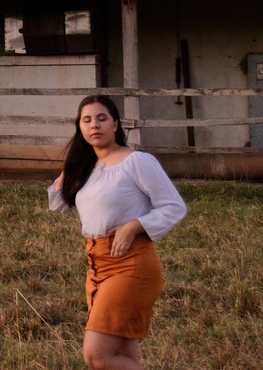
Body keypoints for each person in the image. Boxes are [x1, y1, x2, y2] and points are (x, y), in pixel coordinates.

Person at [49, 95, 186, 370]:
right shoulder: (88, 167)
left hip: (131, 262)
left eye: (101, 119)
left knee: (97, 354)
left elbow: (173, 206)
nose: (94, 126)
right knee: (122, 351)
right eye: (86, 121)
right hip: (96, 264)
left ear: (115, 124)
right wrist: (74, 163)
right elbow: (58, 203)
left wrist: (133, 226)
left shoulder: (136, 161)